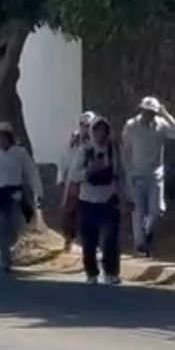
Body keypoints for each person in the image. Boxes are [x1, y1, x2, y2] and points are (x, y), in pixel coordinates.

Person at [67, 115, 129, 285]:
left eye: (104, 131)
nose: (100, 135)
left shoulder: (115, 150)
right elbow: (73, 175)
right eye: (97, 131)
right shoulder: (84, 151)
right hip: (87, 201)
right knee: (89, 241)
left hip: (109, 199)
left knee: (111, 239)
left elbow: (123, 174)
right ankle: (92, 272)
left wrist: (127, 198)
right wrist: (90, 171)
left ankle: (111, 272)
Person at [0, 121, 43, 273]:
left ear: (9, 137)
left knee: (14, 227)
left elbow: (31, 172)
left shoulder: (20, 154)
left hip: (15, 195)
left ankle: (8, 246)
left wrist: (38, 191)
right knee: (1, 225)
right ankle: (5, 260)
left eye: (3, 136)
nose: (0, 139)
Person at [121, 96, 175, 257]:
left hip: (155, 175)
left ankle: (147, 234)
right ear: (141, 110)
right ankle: (140, 245)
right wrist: (128, 174)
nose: (149, 114)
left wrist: (166, 114)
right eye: (147, 111)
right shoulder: (131, 126)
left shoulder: (161, 125)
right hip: (136, 175)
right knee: (138, 212)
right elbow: (126, 150)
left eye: (153, 112)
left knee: (155, 210)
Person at [58, 111, 97, 253]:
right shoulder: (73, 142)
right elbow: (64, 159)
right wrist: (62, 178)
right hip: (73, 182)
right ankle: (69, 238)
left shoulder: (97, 143)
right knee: (70, 211)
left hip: (90, 182)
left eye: (89, 125)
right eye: (83, 125)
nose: (86, 128)